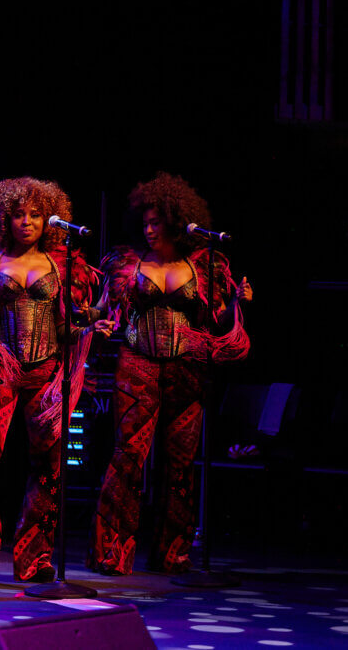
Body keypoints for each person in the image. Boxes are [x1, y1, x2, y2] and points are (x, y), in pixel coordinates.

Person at [0, 177, 114, 587]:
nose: (27, 222)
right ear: (3, 218)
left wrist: (92, 325)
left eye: (36, 214)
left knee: (48, 462)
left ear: (49, 219)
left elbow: (67, 323)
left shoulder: (63, 266)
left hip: (45, 368)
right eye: (19, 214)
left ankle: (35, 555)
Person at [88, 172, 252, 576]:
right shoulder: (128, 264)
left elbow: (217, 322)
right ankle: (112, 551)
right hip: (137, 363)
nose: (148, 229)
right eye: (144, 222)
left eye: (156, 222)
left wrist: (236, 301)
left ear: (178, 221)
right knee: (128, 458)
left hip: (187, 367)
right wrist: (89, 320)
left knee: (180, 464)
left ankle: (173, 552)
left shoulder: (205, 267)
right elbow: (104, 308)